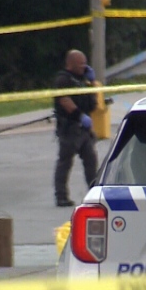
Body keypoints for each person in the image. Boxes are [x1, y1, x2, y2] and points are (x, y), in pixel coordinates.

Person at [53, 49, 100, 207]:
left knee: (91, 161)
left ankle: (95, 194)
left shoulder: (84, 79)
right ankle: (61, 196)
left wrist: (92, 82)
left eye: (85, 63)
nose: (84, 66)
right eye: (81, 64)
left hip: (84, 130)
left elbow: (93, 102)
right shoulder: (63, 79)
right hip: (70, 128)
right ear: (71, 64)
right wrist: (80, 116)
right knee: (65, 162)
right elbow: (65, 101)